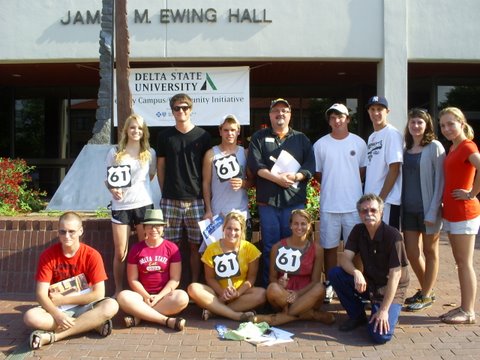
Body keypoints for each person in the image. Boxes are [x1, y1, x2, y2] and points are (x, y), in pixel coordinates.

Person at [23, 212, 119, 350]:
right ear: (58, 232)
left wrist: (62, 300)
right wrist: (58, 315)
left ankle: (53, 337)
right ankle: (91, 324)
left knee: (111, 305)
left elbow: (99, 295)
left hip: (85, 306)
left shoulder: (92, 255)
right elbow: (40, 294)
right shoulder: (48, 256)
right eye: (63, 232)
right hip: (59, 310)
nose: (67, 236)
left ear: (80, 231)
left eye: (71, 232)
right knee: (31, 317)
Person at [247, 98, 315, 286]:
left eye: (284, 110)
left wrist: (296, 177)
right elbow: (256, 165)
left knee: (294, 246)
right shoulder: (259, 138)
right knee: (270, 247)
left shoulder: (301, 139)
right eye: (276, 110)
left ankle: (294, 288)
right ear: (270, 115)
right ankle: (272, 288)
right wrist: (277, 179)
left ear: (290, 114)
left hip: (294, 203)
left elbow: (310, 166)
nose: (280, 114)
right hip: (268, 203)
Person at [328, 194, 409, 344]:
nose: (369, 214)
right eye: (364, 211)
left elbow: (395, 276)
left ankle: (387, 312)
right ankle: (357, 316)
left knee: (380, 336)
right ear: (359, 214)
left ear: (381, 213)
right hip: (370, 282)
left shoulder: (393, 236)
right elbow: (344, 258)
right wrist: (356, 272)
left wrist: (384, 310)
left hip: (390, 288)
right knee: (336, 274)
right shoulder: (359, 230)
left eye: (373, 210)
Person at [313, 103, 367, 303]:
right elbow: (318, 174)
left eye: (341, 116)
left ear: (348, 119)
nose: (337, 120)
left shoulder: (359, 143)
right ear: (329, 121)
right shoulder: (320, 145)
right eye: (333, 117)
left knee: (357, 249)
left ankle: (359, 286)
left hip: (354, 207)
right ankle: (330, 285)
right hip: (329, 205)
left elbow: (362, 171)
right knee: (330, 248)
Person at [156, 93, 211, 283]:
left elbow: (206, 171)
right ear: (172, 111)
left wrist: (207, 202)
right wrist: (165, 192)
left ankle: (195, 285)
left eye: (185, 107)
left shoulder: (203, 136)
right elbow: (160, 167)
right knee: (170, 247)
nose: (181, 111)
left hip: (195, 200)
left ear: (191, 109)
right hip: (170, 200)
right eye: (177, 108)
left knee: (196, 246)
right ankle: (172, 287)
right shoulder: (164, 136)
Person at [105, 113, 157, 297]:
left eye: (140, 128)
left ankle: (143, 291)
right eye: (133, 127)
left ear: (144, 132)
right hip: (120, 207)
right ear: (126, 129)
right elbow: (109, 180)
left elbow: (150, 176)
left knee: (145, 251)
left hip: (143, 204)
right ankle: (118, 290)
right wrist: (113, 190)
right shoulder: (115, 152)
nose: (136, 131)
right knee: (121, 253)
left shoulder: (150, 153)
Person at [255, 209, 335, 326]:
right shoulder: (277, 247)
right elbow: (271, 278)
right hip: (283, 295)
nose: (299, 227)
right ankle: (312, 314)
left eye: (303, 224)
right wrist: (279, 283)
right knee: (272, 288)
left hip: (307, 294)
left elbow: (315, 281)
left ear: (309, 226)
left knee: (320, 288)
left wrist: (298, 294)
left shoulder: (317, 249)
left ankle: (281, 317)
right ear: (290, 226)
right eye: (296, 223)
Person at [438, 107, 480, 325]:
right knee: (459, 263)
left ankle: (469, 312)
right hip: (452, 214)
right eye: (443, 125)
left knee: (465, 263)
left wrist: (472, 192)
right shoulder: (453, 147)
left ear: (461, 123)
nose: (446, 128)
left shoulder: (467, 146)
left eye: (450, 124)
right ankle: (464, 306)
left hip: (465, 213)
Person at [401, 109, 445, 311]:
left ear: (427, 125)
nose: (415, 126)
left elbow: (440, 181)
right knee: (411, 252)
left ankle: (426, 294)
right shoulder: (406, 148)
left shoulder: (434, 147)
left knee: (430, 251)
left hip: (429, 210)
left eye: (420, 122)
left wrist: (433, 209)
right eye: (412, 122)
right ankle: (427, 288)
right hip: (408, 210)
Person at [116, 209, 189, 331]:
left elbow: (175, 279)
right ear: (144, 228)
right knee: (123, 296)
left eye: (158, 226)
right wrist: (145, 296)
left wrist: (159, 296)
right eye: (150, 226)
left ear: (163, 228)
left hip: (165, 296)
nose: (154, 229)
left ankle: (140, 316)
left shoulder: (172, 248)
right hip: (142, 296)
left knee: (183, 298)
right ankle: (166, 321)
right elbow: (132, 279)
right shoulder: (136, 249)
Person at [187, 212, 266, 321]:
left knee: (261, 294)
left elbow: (251, 279)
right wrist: (222, 293)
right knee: (193, 288)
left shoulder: (250, 249)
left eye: (236, 229)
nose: (232, 233)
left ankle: (215, 311)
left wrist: (237, 293)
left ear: (242, 230)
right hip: (218, 294)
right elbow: (209, 278)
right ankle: (236, 315)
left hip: (240, 294)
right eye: (229, 228)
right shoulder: (212, 249)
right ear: (223, 229)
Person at [202, 114, 252, 223]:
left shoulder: (245, 153)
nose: (230, 133)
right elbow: (206, 183)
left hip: (241, 214)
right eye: (226, 130)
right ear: (220, 132)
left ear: (238, 131)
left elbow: (253, 181)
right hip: (217, 214)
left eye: (233, 130)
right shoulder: (211, 154)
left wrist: (243, 183)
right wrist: (208, 210)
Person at [364, 96, 403, 229]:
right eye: (372, 109)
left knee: (387, 244)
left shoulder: (392, 134)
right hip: (372, 200)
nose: (375, 113)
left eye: (380, 109)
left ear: (387, 111)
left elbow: (395, 169)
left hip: (387, 201)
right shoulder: (372, 137)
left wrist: (380, 200)